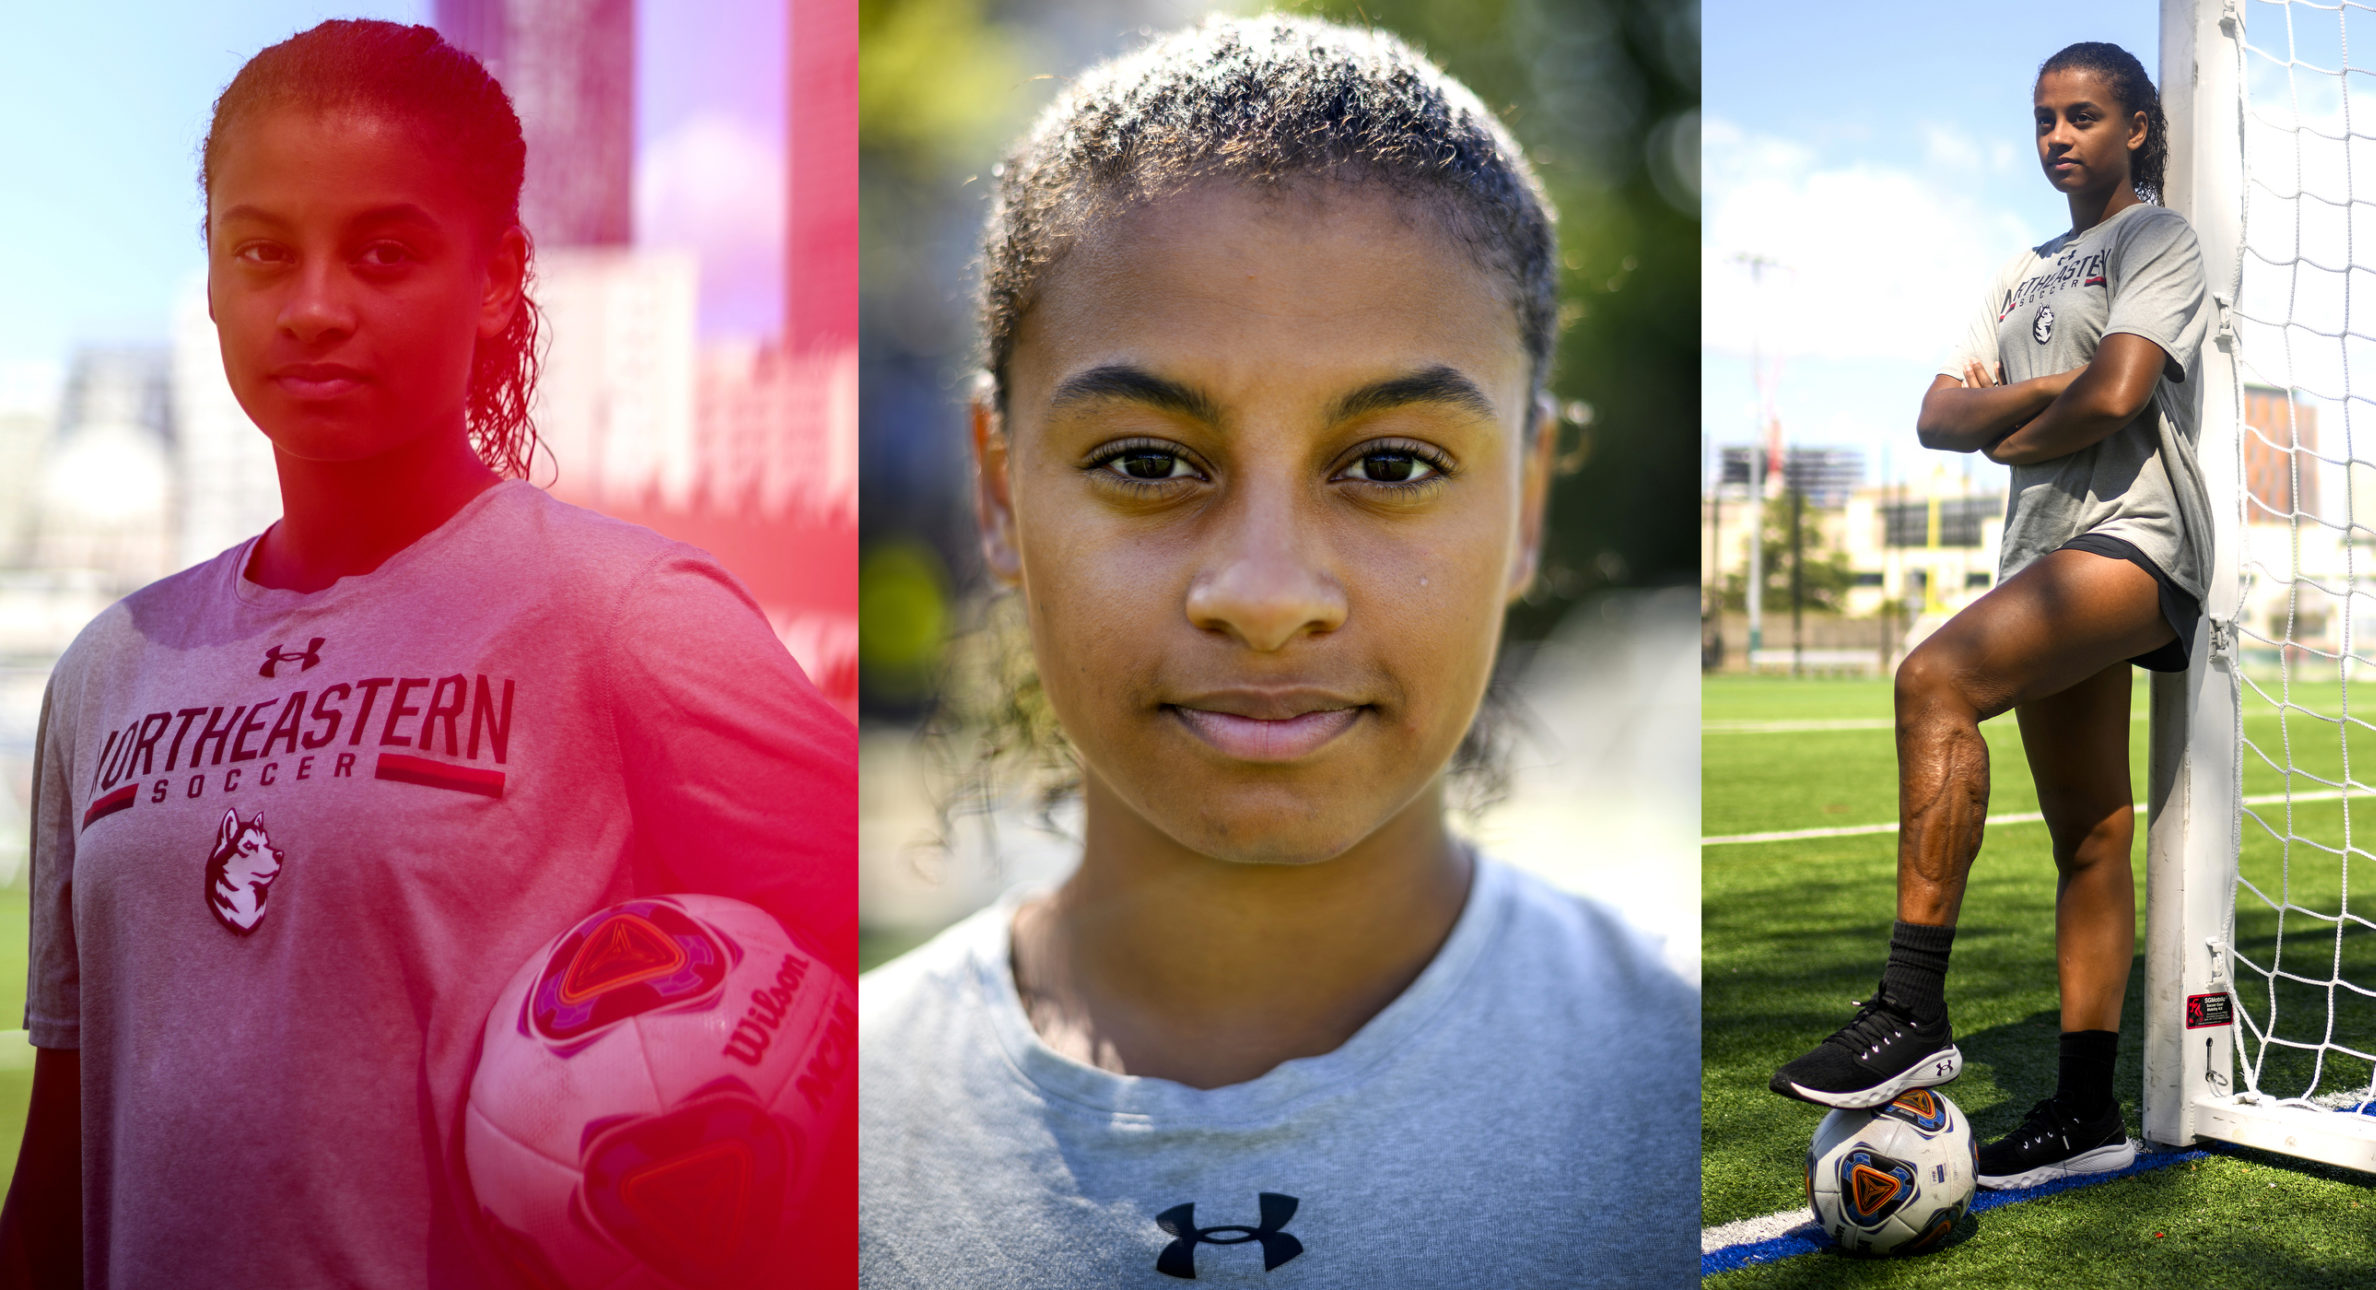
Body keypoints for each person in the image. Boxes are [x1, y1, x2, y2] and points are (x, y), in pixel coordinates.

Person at [0, 21, 857, 1288]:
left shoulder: (625, 613)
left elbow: (906, 1029)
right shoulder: (110, 665)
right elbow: (61, 1154)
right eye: (261, 253)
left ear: (499, 276)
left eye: (385, 252)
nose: (312, 308)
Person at [857, 14, 1699, 1287]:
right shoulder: (803, 1141)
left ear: (1525, 504)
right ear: (996, 492)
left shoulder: (1683, 1073)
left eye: (1391, 465)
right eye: (1146, 463)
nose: (1264, 594)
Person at [1767, 42, 2209, 1190]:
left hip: (2134, 541)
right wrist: (2030, 409)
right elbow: (1932, 413)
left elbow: (2122, 392)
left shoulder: (2155, 241)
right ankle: (2084, 1108)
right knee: (2091, 837)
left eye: (2083, 117)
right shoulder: (2018, 271)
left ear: (2138, 129)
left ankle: (1908, 1005)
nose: (2058, 137)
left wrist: (2005, 423)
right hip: (2043, 553)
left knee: (1933, 679)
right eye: (2043, 119)